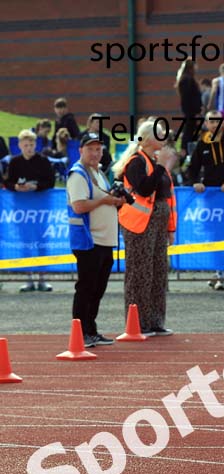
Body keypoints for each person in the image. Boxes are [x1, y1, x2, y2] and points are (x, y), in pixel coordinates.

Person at [111, 121, 178, 336]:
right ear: (148, 138)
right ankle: (137, 323)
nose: (163, 137)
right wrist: (162, 166)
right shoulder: (136, 162)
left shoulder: (155, 162)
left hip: (157, 223)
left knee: (158, 271)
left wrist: (170, 228)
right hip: (139, 224)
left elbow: (167, 197)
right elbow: (144, 188)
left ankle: (155, 320)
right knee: (140, 273)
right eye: (159, 134)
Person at [66, 133, 124, 347]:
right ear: (81, 150)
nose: (95, 153)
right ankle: (80, 332)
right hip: (89, 240)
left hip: (104, 240)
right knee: (87, 288)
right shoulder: (78, 174)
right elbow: (79, 205)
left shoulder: (98, 172)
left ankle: (91, 329)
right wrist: (107, 200)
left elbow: (101, 199)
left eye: (99, 149)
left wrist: (115, 201)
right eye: (91, 149)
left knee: (97, 288)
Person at [185, 110, 224, 291]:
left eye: (217, 121)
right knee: (214, 234)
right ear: (206, 124)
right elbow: (191, 169)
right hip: (210, 198)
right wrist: (195, 183)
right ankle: (218, 271)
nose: (214, 125)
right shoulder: (201, 143)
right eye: (211, 122)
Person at [5, 129, 57, 293]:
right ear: (20, 145)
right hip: (22, 210)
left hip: (40, 209)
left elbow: (51, 182)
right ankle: (29, 279)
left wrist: (36, 187)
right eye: (26, 145)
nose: (29, 148)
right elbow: (7, 182)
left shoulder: (43, 161)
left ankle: (42, 278)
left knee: (42, 242)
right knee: (25, 243)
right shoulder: (14, 162)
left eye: (32, 144)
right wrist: (16, 187)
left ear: (36, 145)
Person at [175, 59, 202, 156]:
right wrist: (196, 111)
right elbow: (189, 98)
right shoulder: (187, 80)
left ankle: (188, 153)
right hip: (191, 112)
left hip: (191, 111)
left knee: (190, 132)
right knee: (188, 133)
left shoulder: (186, 79)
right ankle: (185, 153)